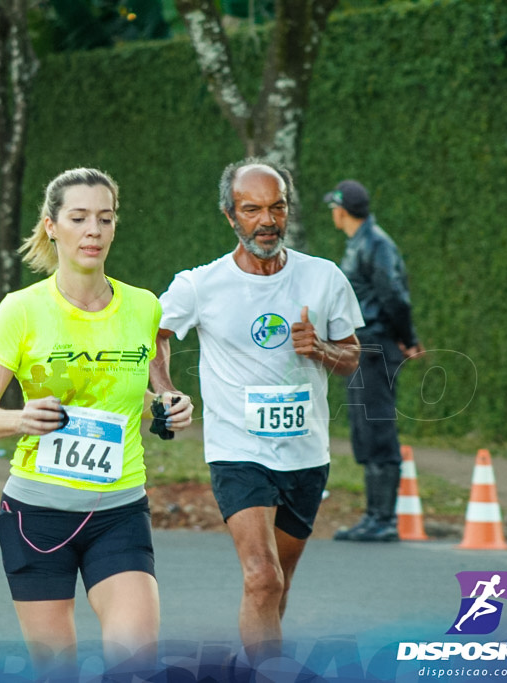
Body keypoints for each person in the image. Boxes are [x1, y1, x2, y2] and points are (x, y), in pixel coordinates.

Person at [0, 168, 193, 674]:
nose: (93, 230)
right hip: (37, 514)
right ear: (52, 226)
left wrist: (173, 404)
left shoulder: (144, 307)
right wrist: (21, 418)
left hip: (119, 511)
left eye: (105, 218)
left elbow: (161, 388)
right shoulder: (20, 310)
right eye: (79, 218)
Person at [150, 159, 362, 669]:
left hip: (306, 454)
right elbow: (150, 336)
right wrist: (166, 390)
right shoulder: (200, 285)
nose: (267, 221)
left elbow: (352, 355)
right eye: (252, 210)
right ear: (230, 216)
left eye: (277, 207)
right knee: (262, 575)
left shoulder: (323, 276)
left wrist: (321, 351)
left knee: (277, 583)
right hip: (237, 452)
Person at [324, 180, 423, 543]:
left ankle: (383, 519)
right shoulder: (360, 242)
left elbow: (395, 295)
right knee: (364, 428)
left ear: (341, 210)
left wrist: (408, 339)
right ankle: (373, 515)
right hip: (362, 347)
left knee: (378, 427)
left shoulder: (376, 244)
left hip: (376, 346)